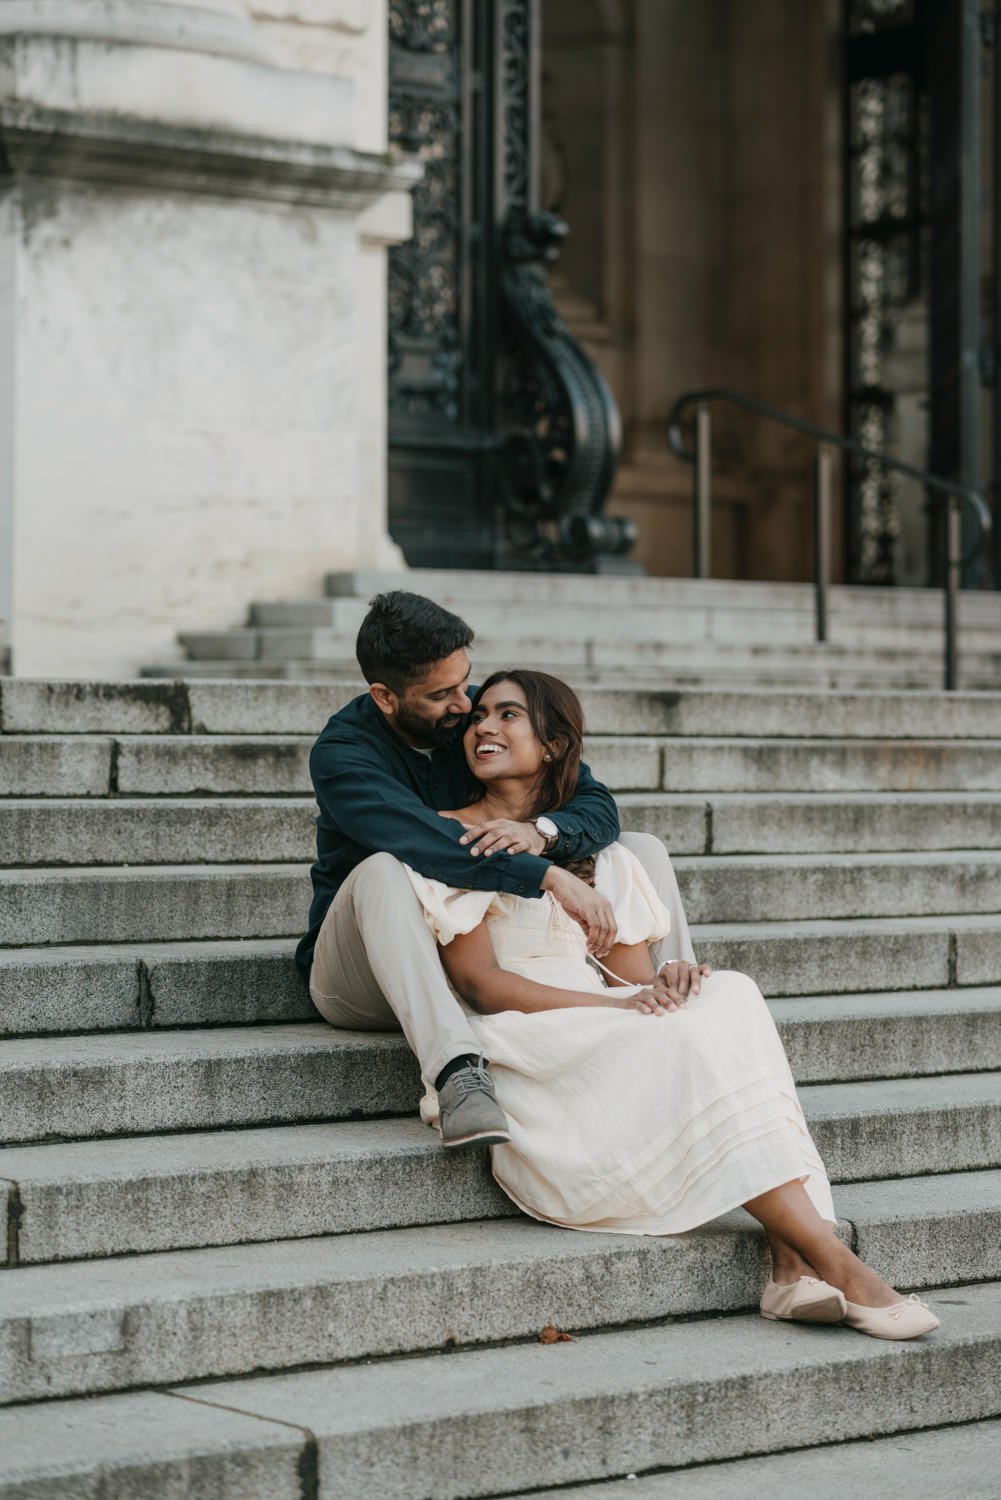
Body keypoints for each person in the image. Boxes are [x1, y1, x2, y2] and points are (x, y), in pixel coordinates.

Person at [403, 668, 941, 1342]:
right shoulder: (446, 838)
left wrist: (668, 983)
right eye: (478, 714)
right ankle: (835, 1262)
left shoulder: (594, 848)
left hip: (602, 1018)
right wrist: (616, 1008)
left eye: (507, 714)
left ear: (554, 742)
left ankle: (789, 1266)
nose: (482, 726)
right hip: (530, 1033)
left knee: (730, 992)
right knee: (675, 1034)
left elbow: (631, 979)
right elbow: (481, 983)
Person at [297, 590, 635, 1148]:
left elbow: (595, 802)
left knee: (636, 847)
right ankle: (457, 1074)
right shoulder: (343, 756)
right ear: (384, 696)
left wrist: (541, 831)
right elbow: (428, 843)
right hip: (366, 972)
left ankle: (673, 995)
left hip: (477, 953)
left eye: (465, 682)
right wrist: (547, 873)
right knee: (385, 867)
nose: (464, 705)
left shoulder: (476, 718)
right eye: (441, 694)